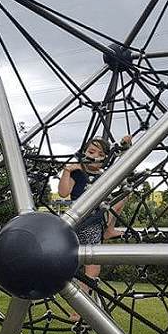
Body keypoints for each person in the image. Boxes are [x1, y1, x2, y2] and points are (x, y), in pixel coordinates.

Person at [58, 135, 131, 320]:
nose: (95, 157)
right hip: (77, 221)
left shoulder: (104, 175)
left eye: (100, 154)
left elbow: (122, 165)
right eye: (91, 152)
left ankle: (79, 309)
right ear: (84, 153)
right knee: (72, 265)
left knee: (92, 266)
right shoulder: (78, 173)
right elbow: (63, 192)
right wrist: (67, 170)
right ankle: (76, 304)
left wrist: (126, 147)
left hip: (97, 220)